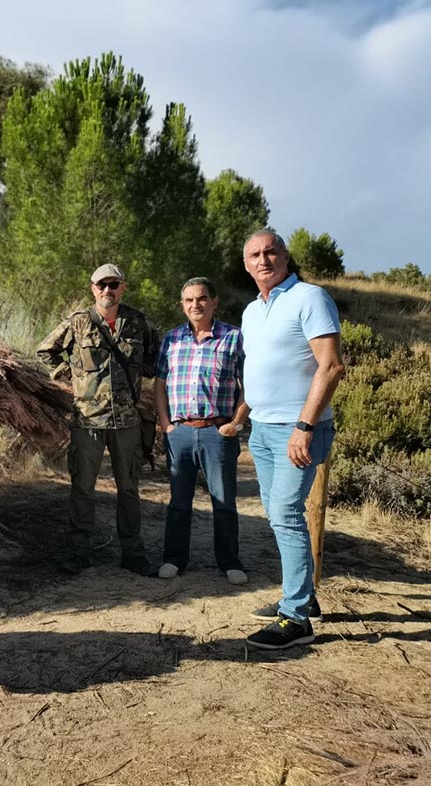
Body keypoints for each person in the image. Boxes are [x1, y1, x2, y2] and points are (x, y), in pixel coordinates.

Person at [240, 230, 345, 650]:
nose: (263, 260)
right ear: (246, 265)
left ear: (285, 256)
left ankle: (296, 617)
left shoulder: (310, 297)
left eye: (270, 252)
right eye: (254, 255)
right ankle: (304, 597)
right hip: (263, 429)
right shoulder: (252, 311)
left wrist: (303, 426)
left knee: (285, 512)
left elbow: (332, 365)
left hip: (297, 429)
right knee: (276, 512)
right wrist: (243, 419)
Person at [37, 264, 160, 576]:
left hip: (127, 421)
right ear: (92, 288)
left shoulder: (137, 322)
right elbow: (45, 351)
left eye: (114, 285)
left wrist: (138, 374)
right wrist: (70, 375)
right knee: (82, 489)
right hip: (87, 420)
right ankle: (79, 553)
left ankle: (132, 553)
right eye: (101, 285)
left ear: (123, 287)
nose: (108, 290)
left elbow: (155, 358)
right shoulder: (78, 322)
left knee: (129, 490)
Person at [155, 277, 250, 585]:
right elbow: (159, 384)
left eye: (202, 298)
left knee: (223, 500)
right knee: (178, 502)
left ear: (214, 301)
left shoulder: (234, 338)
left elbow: (249, 384)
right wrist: (166, 424)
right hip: (180, 432)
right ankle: (173, 559)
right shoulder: (171, 339)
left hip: (217, 432)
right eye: (189, 300)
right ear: (182, 305)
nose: (195, 304)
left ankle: (229, 562)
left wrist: (236, 423)